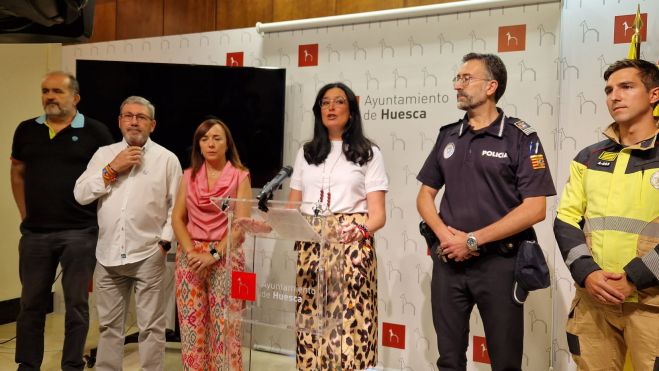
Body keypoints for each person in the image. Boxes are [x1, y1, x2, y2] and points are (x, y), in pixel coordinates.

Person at [416, 53, 556, 371]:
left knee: (505, 362)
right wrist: (445, 237)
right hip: (448, 262)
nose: (458, 85)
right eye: (457, 78)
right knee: (448, 360)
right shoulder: (448, 135)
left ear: (491, 86)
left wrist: (473, 240)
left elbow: (535, 208)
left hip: (500, 265)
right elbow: (425, 196)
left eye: (467, 79)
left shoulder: (521, 138)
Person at [554, 59, 659, 370]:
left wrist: (634, 279)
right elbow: (565, 221)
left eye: (626, 87)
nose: (615, 96)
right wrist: (587, 273)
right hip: (593, 302)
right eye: (609, 90)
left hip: (651, 305)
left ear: (654, 95)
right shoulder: (588, 157)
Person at [10, 71, 113, 371]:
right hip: (35, 234)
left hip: (80, 233)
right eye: (45, 91)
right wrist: (24, 213)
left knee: (76, 306)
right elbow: (17, 172)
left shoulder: (96, 132)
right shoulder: (26, 130)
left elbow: (109, 178)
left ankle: (71, 365)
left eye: (57, 91)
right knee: (30, 304)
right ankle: (27, 365)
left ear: (75, 97)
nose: (49, 97)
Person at [73, 96, 182, 371]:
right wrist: (112, 169)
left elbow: (177, 206)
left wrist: (165, 242)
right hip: (107, 256)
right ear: (120, 121)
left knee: (151, 328)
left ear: (152, 125)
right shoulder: (104, 154)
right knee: (109, 327)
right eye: (128, 116)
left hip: (148, 255)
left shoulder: (167, 159)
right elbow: (81, 194)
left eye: (141, 117)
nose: (134, 121)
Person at [287, 82, 388, 370]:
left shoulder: (369, 153)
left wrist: (360, 231)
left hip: (351, 246)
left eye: (338, 101)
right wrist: (266, 223)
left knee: (350, 326)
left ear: (351, 112)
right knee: (311, 322)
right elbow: (293, 207)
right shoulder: (306, 152)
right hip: (310, 246)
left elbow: (378, 215)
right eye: (325, 102)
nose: (330, 107)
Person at [171, 118, 251, 370]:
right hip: (191, 258)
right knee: (192, 327)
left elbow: (240, 224)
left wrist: (213, 254)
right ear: (198, 146)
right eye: (204, 139)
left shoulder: (240, 176)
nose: (210, 144)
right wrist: (191, 251)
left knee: (225, 329)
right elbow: (177, 218)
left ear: (227, 143)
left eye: (216, 138)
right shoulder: (188, 175)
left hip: (226, 255)